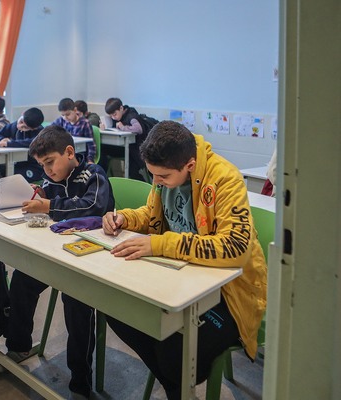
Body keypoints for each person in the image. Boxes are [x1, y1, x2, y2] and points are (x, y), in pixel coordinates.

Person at [101, 121, 267, 400]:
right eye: (153, 175)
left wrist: (161, 244)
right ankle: (176, 386)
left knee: (175, 354)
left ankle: (176, 381)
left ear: (189, 165)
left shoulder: (225, 178)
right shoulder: (165, 173)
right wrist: (124, 218)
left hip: (229, 293)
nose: (156, 182)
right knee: (117, 308)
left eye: (163, 176)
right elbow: (153, 214)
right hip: (179, 276)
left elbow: (236, 248)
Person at [6, 125, 115, 399]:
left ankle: (80, 382)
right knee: (22, 279)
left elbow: (93, 207)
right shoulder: (51, 180)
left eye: (50, 162)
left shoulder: (93, 174)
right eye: (42, 165)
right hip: (57, 254)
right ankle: (18, 345)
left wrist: (49, 206)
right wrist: (40, 196)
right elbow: (49, 199)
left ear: (69, 152)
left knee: (76, 302)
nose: (47, 171)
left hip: (91, 258)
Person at [100, 97, 152, 182]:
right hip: (125, 148)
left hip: (137, 150)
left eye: (114, 114)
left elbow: (139, 129)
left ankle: (143, 187)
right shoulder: (118, 117)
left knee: (132, 171)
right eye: (111, 116)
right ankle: (102, 180)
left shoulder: (131, 116)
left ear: (121, 108)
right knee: (102, 150)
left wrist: (123, 127)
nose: (113, 117)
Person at [0, 107, 45, 182]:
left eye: (25, 127)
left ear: (34, 128)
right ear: (23, 113)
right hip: (17, 164)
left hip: (35, 167)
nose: (20, 126)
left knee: (13, 177)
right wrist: (0, 139)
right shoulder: (13, 126)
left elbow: (31, 142)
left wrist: (9, 143)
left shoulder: (40, 132)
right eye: (21, 121)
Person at [51, 98, 96, 163]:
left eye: (68, 114)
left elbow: (91, 144)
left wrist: (90, 159)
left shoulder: (85, 123)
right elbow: (48, 130)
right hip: (64, 155)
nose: (65, 118)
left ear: (75, 110)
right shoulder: (61, 121)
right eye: (63, 115)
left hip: (80, 156)